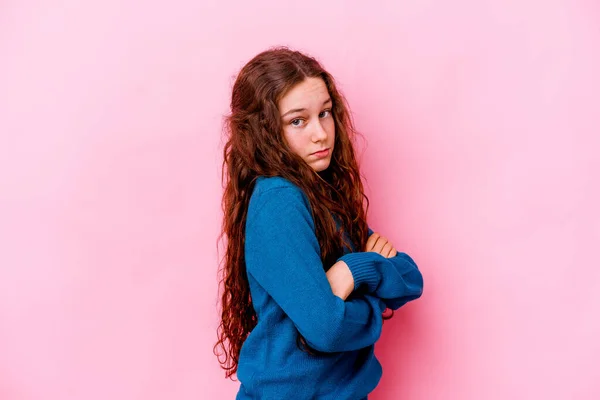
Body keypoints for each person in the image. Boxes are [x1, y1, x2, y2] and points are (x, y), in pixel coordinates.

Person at [214, 47, 424, 400]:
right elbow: (326, 328)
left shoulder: (321, 196)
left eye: (324, 113)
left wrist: (353, 271)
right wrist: (371, 292)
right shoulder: (280, 201)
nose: (321, 134)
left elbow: (410, 280)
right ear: (264, 131)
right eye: (297, 121)